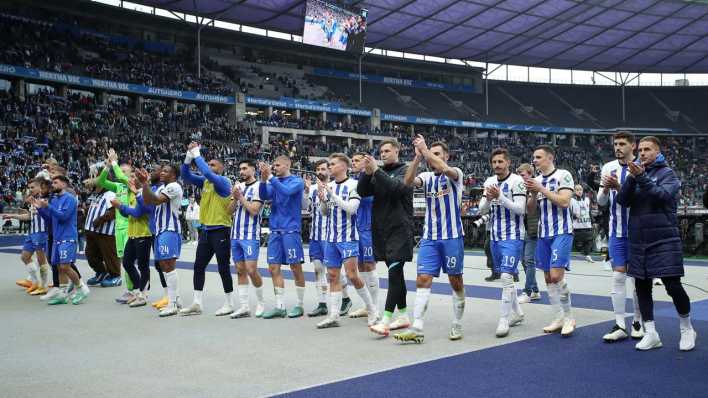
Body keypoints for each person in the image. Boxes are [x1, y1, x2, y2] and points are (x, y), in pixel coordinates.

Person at [616, 136, 696, 351]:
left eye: (647, 149)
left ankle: (687, 328)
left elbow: (661, 196)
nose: (642, 153)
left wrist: (641, 177)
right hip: (640, 239)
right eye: (640, 150)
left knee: (673, 286)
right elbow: (622, 201)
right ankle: (651, 333)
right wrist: (632, 178)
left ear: (657, 151)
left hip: (664, 238)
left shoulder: (667, 173)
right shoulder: (636, 174)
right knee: (642, 287)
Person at [394, 137, 466, 343]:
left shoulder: (455, 173)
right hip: (430, 238)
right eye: (431, 153)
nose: (432, 157)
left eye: (437, 154)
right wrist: (417, 158)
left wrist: (426, 151)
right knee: (422, 279)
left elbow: (444, 168)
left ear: (446, 156)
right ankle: (417, 328)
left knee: (456, 280)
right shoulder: (426, 176)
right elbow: (407, 182)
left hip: (452, 237)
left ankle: (457, 323)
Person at [358, 139, 414, 337]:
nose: (383, 154)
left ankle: (386, 320)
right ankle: (404, 315)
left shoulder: (406, 170)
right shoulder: (377, 172)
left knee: (394, 273)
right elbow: (362, 192)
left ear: (397, 151)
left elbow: (396, 189)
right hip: (382, 230)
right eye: (381, 151)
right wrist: (367, 173)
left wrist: (376, 171)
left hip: (400, 229)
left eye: (387, 150)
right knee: (397, 274)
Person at [315, 153, 378, 329]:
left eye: (333, 164)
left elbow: (352, 209)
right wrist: (322, 200)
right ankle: (334, 315)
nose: (329, 167)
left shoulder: (354, 185)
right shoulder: (330, 185)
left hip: (348, 237)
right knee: (333, 275)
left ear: (343, 166)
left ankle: (372, 309)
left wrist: (332, 195)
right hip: (331, 238)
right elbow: (325, 213)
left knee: (352, 275)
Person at [596, 131, 644, 342]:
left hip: (638, 230)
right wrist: (606, 188)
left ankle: (638, 321)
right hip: (616, 231)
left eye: (622, 143)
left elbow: (643, 199)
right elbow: (601, 201)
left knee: (637, 279)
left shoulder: (641, 166)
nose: (618, 147)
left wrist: (619, 187)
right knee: (618, 275)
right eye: (615, 144)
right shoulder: (608, 167)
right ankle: (619, 323)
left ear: (633, 146)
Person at [524, 145, 576, 337]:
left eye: (538, 157)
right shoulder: (535, 181)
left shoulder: (564, 175)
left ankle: (569, 317)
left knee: (556, 275)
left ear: (550, 158)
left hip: (561, 231)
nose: (535, 160)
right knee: (547, 278)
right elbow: (530, 210)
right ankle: (558, 317)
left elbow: (564, 201)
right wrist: (534, 193)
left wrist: (541, 189)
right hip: (543, 233)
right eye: (534, 157)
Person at [475, 148, 527, 338]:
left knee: (506, 277)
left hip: (513, 235)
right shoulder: (489, 181)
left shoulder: (517, 181)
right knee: (506, 279)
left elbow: (520, 210)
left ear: (508, 163)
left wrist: (500, 197)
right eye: (494, 162)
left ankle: (504, 320)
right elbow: (482, 209)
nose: (497, 165)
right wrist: (488, 199)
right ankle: (518, 313)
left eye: (500, 162)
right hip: (495, 236)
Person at [179, 143, 236, 317]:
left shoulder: (224, 182)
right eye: (208, 163)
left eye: (213, 164)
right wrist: (189, 158)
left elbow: (208, 173)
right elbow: (185, 175)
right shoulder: (205, 181)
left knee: (223, 267)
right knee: (198, 266)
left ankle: (229, 303)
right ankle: (197, 302)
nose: (210, 167)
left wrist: (197, 154)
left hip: (221, 229)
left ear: (222, 167)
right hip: (207, 230)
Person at [258, 155, 307, 319]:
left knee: (295, 267)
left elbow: (286, 192)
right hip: (275, 230)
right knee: (273, 268)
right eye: (273, 165)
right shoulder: (274, 181)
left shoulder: (297, 181)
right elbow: (264, 196)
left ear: (287, 165)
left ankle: (299, 305)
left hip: (291, 230)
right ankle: (280, 306)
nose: (274, 167)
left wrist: (270, 177)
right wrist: (264, 180)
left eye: (277, 165)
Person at [34, 175, 90, 305]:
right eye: (52, 182)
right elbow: (50, 219)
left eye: (55, 182)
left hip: (68, 237)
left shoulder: (70, 199)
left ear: (64, 184)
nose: (52, 185)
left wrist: (49, 207)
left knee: (65, 266)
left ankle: (81, 287)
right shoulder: (53, 199)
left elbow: (64, 216)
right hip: (57, 238)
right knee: (59, 267)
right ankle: (62, 294)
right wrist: (40, 209)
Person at [137, 165, 183, 317]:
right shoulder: (161, 188)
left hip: (169, 229)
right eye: (162, 170)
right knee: (164, 265)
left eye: (166, 171)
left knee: (168, 264)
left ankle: (172, 304)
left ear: (174, 175)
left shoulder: (174, 186)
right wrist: (144, 184)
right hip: (160, 230)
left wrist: (144, 184)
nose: (162, 173)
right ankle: (175, 299)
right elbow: (147, 201)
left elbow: (156, 201)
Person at [228, 160, 266, 319]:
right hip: (235, 235)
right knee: (240, 270)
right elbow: (229, 212)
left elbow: (254, 211)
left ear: (253, 169)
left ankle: (261, 302)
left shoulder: (259, 188)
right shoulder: (238, 187)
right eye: (240, 169)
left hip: (250, 235)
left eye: (245, 168)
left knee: (251, 270)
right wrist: (234, 197)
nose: (242, 171)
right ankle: (244, 306)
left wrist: (240, 197)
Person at [3, 178, 50, 295]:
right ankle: (34, 282)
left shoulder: (45, 199)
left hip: (42, 232)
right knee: (25, 257)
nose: (30, 189)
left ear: (41, 187)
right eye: (29, 187)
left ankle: (43, 286)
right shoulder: (33, 200)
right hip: (32, 232)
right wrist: (12, 215)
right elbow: (30, 216)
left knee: (41, 260)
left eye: (33, 187)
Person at [112, 174, 154, 308]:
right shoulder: (131, 194)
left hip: (144, 234)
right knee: (127, 262)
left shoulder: (145, 193)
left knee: (143, 265)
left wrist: (121, 207)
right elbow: (128, 213)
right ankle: (136, 290)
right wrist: (121, 208)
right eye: (129, 177)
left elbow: (138, 212)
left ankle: (143, 294)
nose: (130, 179)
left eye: (132, 176)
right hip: (132, 234)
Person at [348, 152, 379, 319]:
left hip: (367, 228)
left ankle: (376, 307)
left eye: (357, 160)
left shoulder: (371, 179)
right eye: (352, 160)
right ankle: (368, 306)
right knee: (360, 267)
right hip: (355, 229)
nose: (353, 162)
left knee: (369, 265)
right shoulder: (353, 181)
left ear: (366, 162)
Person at [96, 149, 131, 291]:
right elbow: (101, 181)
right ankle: (130, 291)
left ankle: (136, 290)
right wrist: (108, 166)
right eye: (120, 170)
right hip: (118, 229)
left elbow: (120, 176)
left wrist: (114, 162)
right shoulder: (118, 186)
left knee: (130, 262)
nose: (121, 173)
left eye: (125, 171)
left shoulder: (130, 185)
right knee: (124, 262)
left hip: (130, 227)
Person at [305, 159, 331, 317]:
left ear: (329, 170)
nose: (320, 172)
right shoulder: (313, 188)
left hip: (330, 235)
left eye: (323, 169)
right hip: (315, 235)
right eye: (318, 169)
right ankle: (322, 304)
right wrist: (307, 192)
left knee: (334, 271)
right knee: (317, 269)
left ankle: (345, 298)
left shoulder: (333, 187)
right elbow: (304, 206)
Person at [83, 180, 121, 288]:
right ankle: (101, 272)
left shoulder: (111, 194)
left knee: (110, 255)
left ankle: (115, 276)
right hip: (91, 231)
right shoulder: (96, 195)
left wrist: (101, 219)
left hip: (105, 232)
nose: (94, 184)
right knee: (90, 255)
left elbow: (114, 211)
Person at [516, 164, 540, 303]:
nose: (520, 177)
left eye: (522, 174)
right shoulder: (520, 187)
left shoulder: (536, 186)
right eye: (518, 174)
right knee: (524, 261)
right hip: (523, 229)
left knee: (529, 260)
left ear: (530, 173)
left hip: (533, 229)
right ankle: (535, 290)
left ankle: (527, 292)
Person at [570, 184, 594, 262]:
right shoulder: (571, 200)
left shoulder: (587, 199)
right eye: (577, 190)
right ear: (574, 191)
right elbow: (568, 212)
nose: (579, 191)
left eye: (580, 189)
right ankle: (567, 257)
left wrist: (592, 220)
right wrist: (574, 215)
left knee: (589, 241)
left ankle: (587, 255)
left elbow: (588, 211)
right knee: (577, 244)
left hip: (587, 224)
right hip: (577, 226)